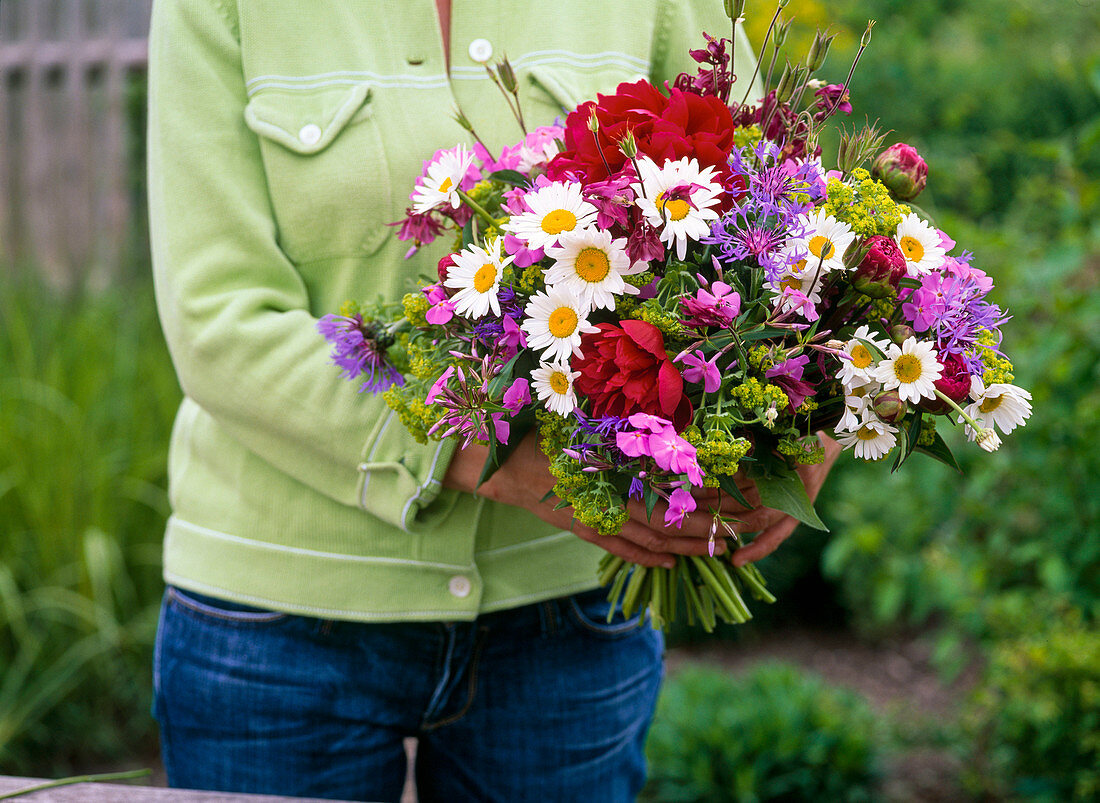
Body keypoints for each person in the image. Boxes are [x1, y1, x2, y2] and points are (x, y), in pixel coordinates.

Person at [147, 1, 838, 800]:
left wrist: (807, 416)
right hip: (276, 622)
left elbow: (781, 206)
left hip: (568, 616)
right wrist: (504, 461)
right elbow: (219, 324)